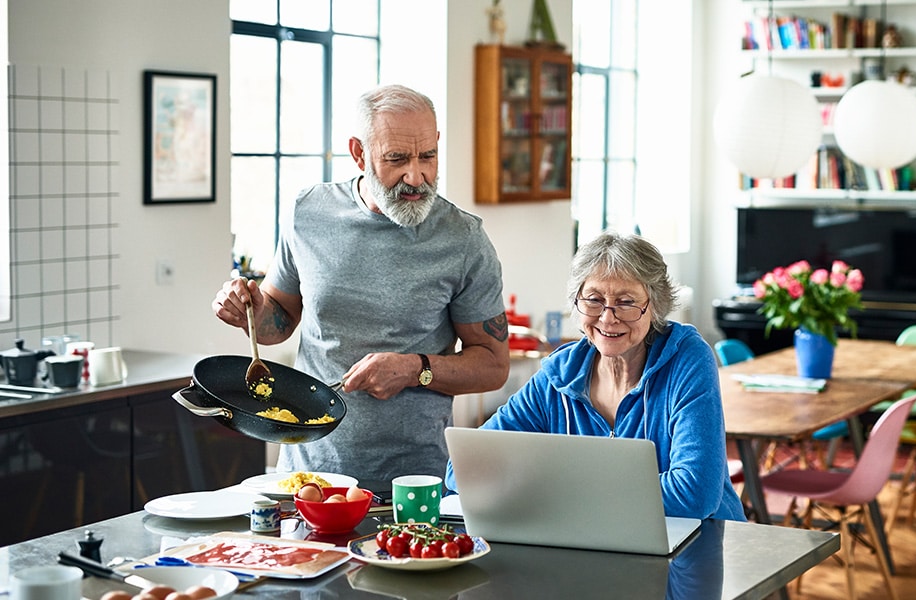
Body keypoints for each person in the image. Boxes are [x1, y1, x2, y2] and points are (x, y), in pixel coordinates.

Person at [212, 84, 510, 482]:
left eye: (428, 156)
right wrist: (248, 310)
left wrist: (414, 369)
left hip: (412, 483)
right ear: (358, 153)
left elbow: (493, 365)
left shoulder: (464, 240)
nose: (415, 176)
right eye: (396, 158)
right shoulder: (309, 212)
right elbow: (278, 322)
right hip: (308, 476)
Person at [446, 231, 746, 522]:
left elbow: (695, 494)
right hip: (597, 543)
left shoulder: (687, 358)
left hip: (698, 546)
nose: (607, 317)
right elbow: (462, 469)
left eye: (626, 302)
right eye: (593, 299)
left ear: (654, 306)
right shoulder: (559, 375)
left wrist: (557, 490)